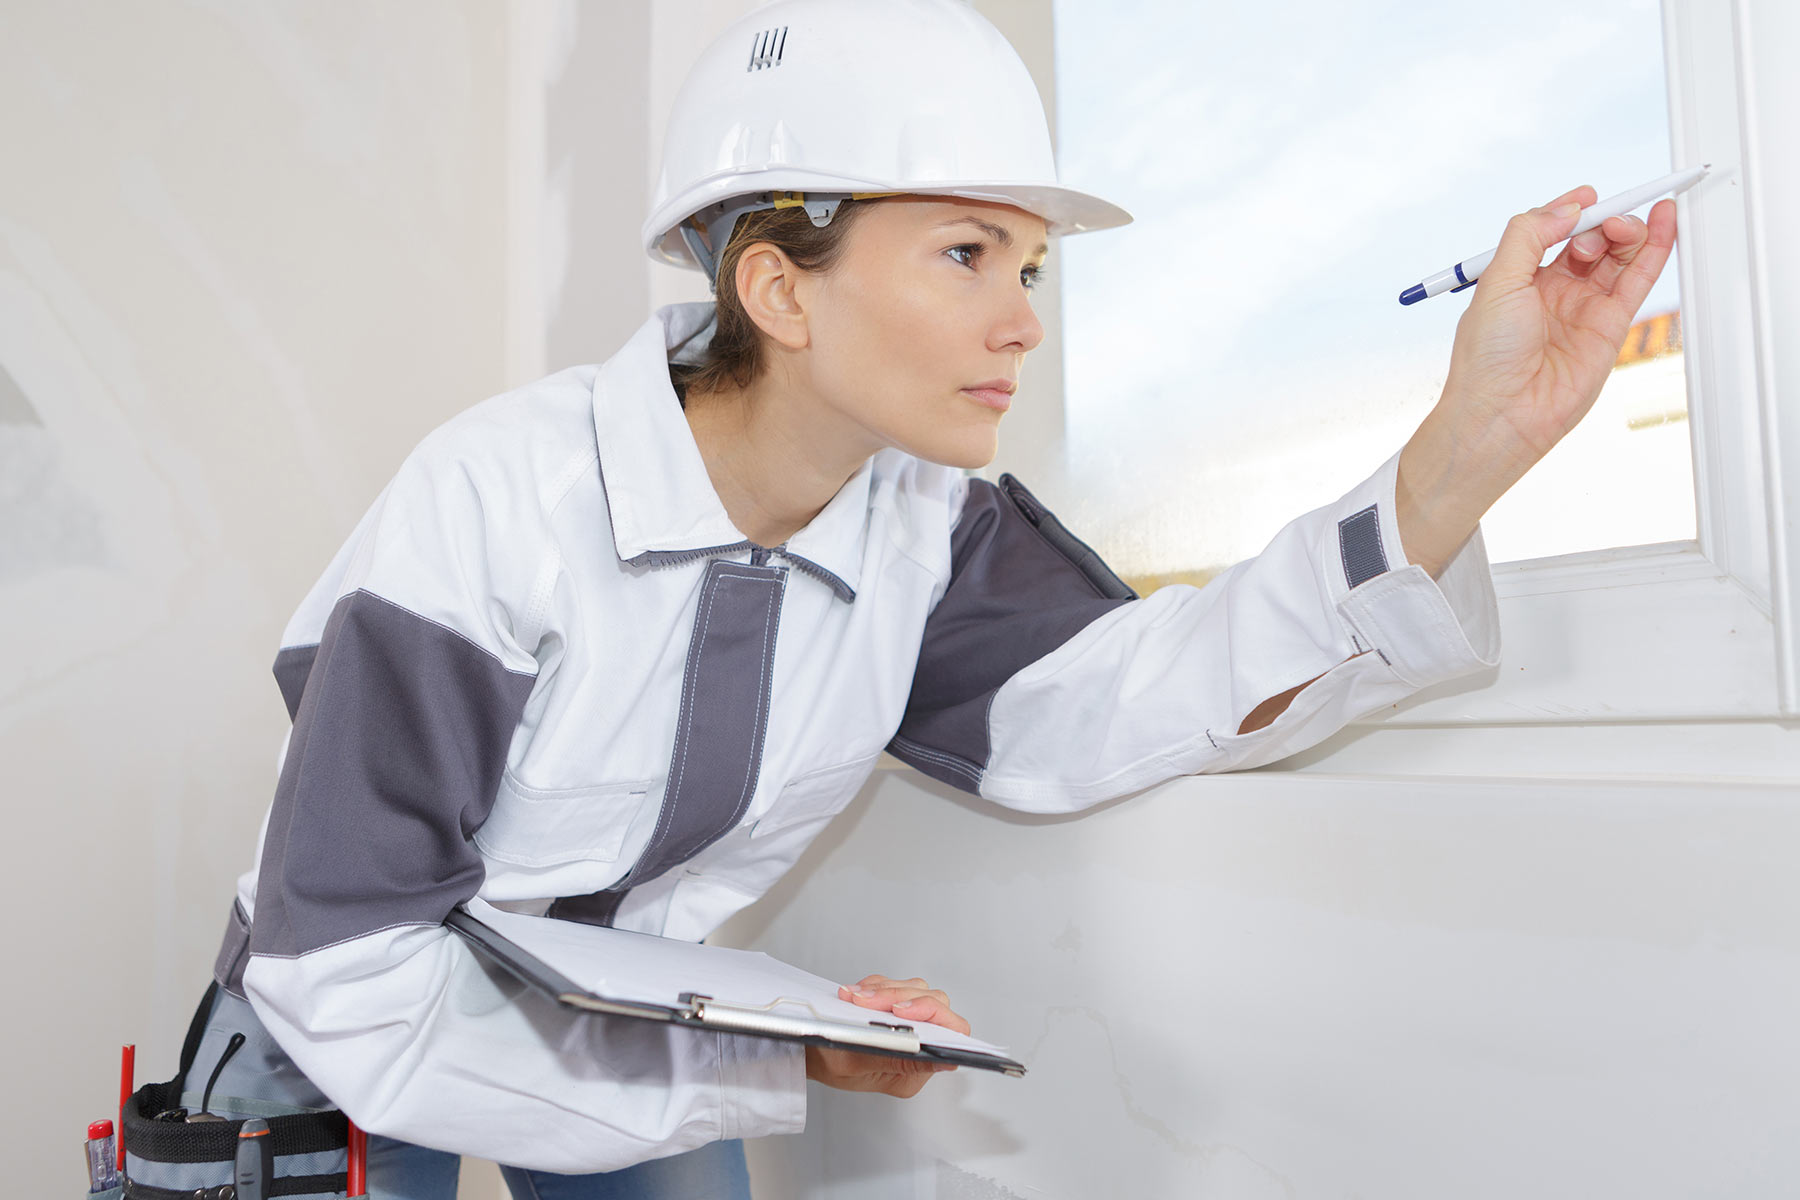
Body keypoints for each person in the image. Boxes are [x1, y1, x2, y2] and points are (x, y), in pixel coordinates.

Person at [173, 0, 1677, 1196]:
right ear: (778, 290)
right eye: (967, 254)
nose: (1021, 322)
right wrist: (781, 1064)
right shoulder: (494, 506)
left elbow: (1119, 698)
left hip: (643, 1009)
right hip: (345, 1010)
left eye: (1028, 265)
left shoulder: (928, 528)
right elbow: (345, 957)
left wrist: (1457, 459)